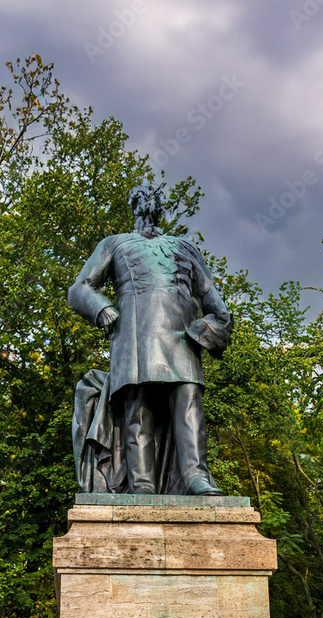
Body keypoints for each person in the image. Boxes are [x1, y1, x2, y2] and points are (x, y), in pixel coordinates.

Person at [68, 185, 231, 496]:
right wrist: (101, 307)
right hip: (133, 333)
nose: (148, 206)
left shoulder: (184, 247)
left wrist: (215, 326)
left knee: (188, 403)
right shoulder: (114, 244)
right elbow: (80, 288)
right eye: (142, 200)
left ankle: (197, 477)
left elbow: (211, 296)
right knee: (137, 408)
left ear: (159, 209)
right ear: (134, 208)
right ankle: (142, 483)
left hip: (182, 336)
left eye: (153, 200)